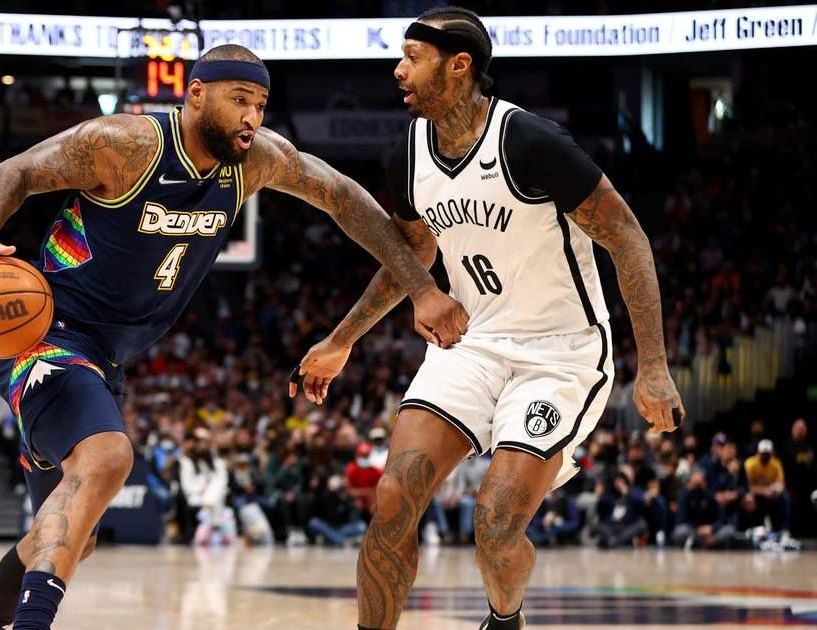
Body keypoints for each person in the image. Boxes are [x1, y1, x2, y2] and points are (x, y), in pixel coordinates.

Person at [0, 43, 467, 630]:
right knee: (109, 457)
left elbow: (343, 198)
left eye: (261, 105)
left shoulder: (255, 162)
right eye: (239, 100)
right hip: (46, 333)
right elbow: (13, 173)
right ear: (195, 94)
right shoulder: (127, 145)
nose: (252, 117)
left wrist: (421, 287)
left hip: (104, 356)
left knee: (70, 537)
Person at [289, 8, 684, 629]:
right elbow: (410, 260)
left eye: (412, 57)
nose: (398, 71)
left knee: (496, 526)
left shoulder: (530, 143)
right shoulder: (409, 155)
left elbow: (628, 239)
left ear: (459, 65)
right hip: (471, 344)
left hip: (559, 353)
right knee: (392, 499)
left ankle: (505, 620)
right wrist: (342, 340)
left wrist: (654, 366)